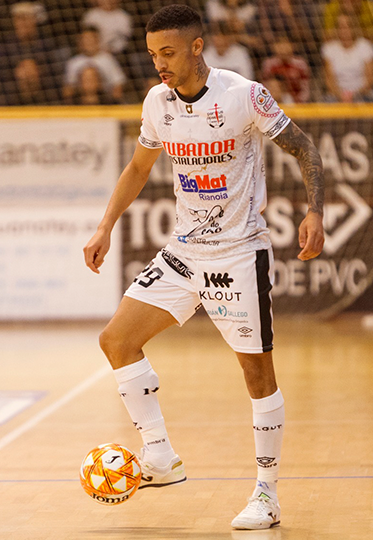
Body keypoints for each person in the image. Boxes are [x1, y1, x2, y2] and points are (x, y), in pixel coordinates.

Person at [82, 4, 326, 530]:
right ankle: (160, 457)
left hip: (239, 254)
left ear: (197, 47)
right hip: (184, 253)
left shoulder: (244, 94)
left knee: (257, 376)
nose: (159, 65)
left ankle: (267, 493)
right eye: (152, 55)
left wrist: (316, 211)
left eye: (167, 53)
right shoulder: (156, 103)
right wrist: (105, 225)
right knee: (117, 340)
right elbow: (138, 167)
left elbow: (303, 147)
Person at [321, 13, 373, 103]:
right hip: (337, 95)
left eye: (346, 26)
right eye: (340, 26)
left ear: (354, 27)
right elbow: (329, 80)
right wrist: (341, 96)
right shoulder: (329, 48)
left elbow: (371, 79)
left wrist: (354, 95)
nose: (343, 30)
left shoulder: (366, 46)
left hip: (363, 94)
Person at [63, 27, 126, 102]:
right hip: (80, 103)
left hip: (105, 102)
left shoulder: (108, 59)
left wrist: (113, 103)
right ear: (80, 42)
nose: (88, 42)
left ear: (97, 40)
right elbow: (68, 88)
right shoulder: (73, 62)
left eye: (91, 39)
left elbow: (118, 86)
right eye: (85, 39)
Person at [260, 35, 311, 103]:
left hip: (297, 103)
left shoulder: (300, 64)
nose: (283, 48)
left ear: (292, 46)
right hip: (274, 102)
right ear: (274, 47)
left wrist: (298, 102)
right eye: (279, 45)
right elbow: (265, 85)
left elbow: (305, 87)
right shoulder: (269, 64)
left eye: (285, 45)